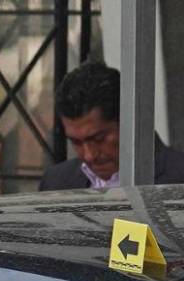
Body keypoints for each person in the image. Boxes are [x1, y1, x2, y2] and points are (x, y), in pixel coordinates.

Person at [41, 60, 184, 190]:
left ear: (129, 122)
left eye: (99, 139)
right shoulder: (55, 182)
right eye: (76, 142)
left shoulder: (178, 179)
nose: (89, 155)